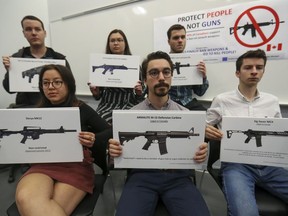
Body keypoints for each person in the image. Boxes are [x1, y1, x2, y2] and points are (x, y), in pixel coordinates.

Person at [109, 51, 210, 216]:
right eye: (154, 73)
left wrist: (201, 153)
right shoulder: (130, 115)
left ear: (172, 77)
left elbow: (198, 156)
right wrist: (113, 153)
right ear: (144, 79)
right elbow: (116, 159)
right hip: (141, 177)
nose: (161, 77)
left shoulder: (186, 114)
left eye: (166, 72)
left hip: (178, 177)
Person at [15, 64, 112, 216]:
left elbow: (110, 130)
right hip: (42, 165)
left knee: (39, 210)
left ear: (68, 84)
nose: (51, 87)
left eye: (57, 82)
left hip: (75, 167)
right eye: (46, 83)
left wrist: (94, 138)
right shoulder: (35, 113)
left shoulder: (81, 108)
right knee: (25, 199)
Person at [205, 49, 288, 216]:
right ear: (237, 72)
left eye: (259, 67)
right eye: (248, 67)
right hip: (237, 167)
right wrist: (206, 130)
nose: (254, 72)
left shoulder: (271, 101)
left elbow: (278, 132)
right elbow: (203, 126)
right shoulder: (222, 100)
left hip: (270, 165)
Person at [2, 15, 70, 108]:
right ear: (24, 33)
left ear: (44, 33)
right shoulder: (17, 58)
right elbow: (9, 90)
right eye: (29, 29)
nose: (33, 33)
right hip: (25, 109)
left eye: (37, 29)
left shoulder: (59, 59)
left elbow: (69, 87)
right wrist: (10, 71)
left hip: (53, 108)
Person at [88, 29, 143, 124]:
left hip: (129, 105)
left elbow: (141, 97)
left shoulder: (134, 66)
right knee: (99, 126)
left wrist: (139, 92)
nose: (116, 43)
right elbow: (98, 97)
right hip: (106, 106)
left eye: (120, 40)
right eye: (112, 40)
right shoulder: (100, 62)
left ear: (125, 43)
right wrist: (95, 92)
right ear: (108, 44)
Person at [167, 24, 209, 110]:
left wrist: (203, 77)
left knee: (208, 118)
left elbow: (200, 92)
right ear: (169, 41)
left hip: (188, 103)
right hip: (167, 103)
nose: (180, 40)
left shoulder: (194, 61)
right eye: (176, 38)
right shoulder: (162, 62)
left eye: (183, 37)